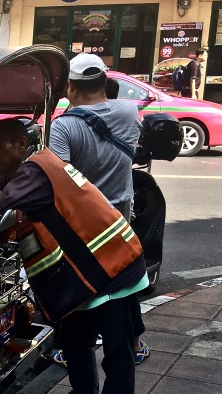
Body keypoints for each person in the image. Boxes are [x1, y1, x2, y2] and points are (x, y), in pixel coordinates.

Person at [0, 118, 148, 394]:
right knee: (75, 342)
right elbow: (2, 192)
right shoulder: (32, 169)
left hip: (114, 266)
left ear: (20, 144)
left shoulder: (35, 172)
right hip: (89, 274)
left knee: (117, 349)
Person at [47, 53, 149, 367]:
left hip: (84, 227)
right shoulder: (129, 112)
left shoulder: (63, 127)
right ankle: (134, 344)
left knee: (81, 286)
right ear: (105, 80)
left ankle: (71, 349)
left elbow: (59, 179)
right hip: (120, 222)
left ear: (69, 85)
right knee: (125, 285)